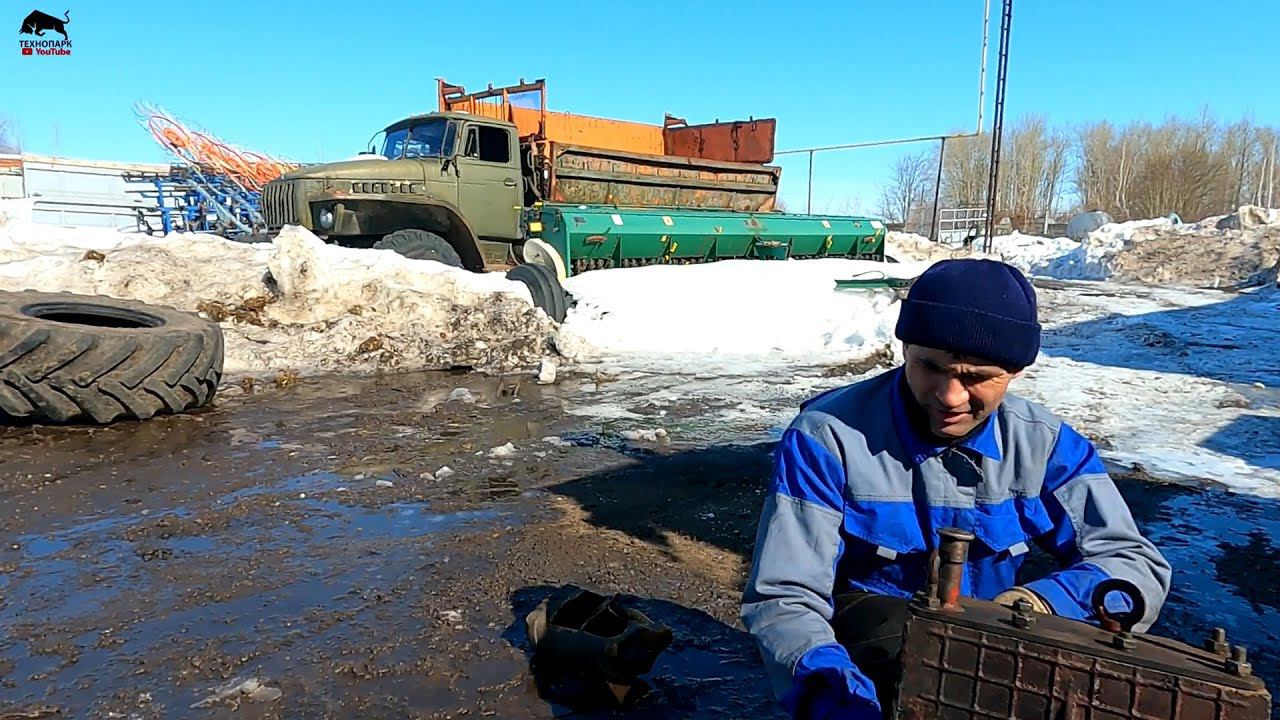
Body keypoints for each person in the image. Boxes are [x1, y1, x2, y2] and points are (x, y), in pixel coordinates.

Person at [740, 258, 1171, 720]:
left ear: (1015, 371)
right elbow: (785, 594)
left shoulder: (1046, 447)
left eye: (976, 377)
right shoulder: (827, 438)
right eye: (931, 367)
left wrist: (1037, 604)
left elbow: (1134, 564)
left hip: (997, 653)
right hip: (869, 656)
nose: (950, 397)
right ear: (905, 348)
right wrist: (834, 694)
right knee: (896, 640)